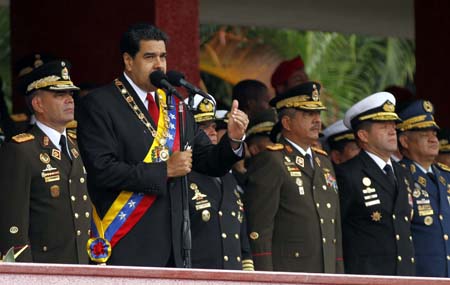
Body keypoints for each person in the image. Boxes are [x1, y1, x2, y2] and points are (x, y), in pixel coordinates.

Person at [75, 23, 248, 267]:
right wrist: (163, 170)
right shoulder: (100, 104)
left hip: (177, 246)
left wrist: (233, 139)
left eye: (163, 57)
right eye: (149, 57)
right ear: (128, 60)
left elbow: (209, 162)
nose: (159, 65)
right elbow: (102, 170)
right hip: (128, 241)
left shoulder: (175, 105)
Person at [244, 82, 344, 273]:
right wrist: (266, 278)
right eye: (308, 114)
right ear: (287, 123)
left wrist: (339, 275)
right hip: (289, 274)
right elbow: (260, 229)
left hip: (326, 274)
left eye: (318, 113)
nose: (317, 120)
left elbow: (334, 231)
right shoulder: (272, 160)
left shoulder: (323, 161)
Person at [0, 60, 91, 263]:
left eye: (70, 94)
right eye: (60, 95)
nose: (70, 100)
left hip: (81, 266)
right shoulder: (21, 151)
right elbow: (13, 226)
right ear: (38, 104)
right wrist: (26, 275)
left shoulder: (76, 145)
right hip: (45, 269)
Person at [336, 92, 415, 275]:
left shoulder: (402, 173)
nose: (392, 130)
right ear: (363, 135)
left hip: (404, 275)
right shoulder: (348, 173)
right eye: (383, 126)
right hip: (367, 275)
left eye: (393, 125)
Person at [185, 94, 254, 270]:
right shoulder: (181, 176)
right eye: (202, 127)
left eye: (213, 126)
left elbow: (242, 243)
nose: (212, 132)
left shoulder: (227, 177)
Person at [397, 100, 450, 277]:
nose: (433, 138)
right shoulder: (399, 176)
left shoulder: (446, 176)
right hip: (420, 276)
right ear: (404, 140)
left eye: (434, 133)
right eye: (423, 133)